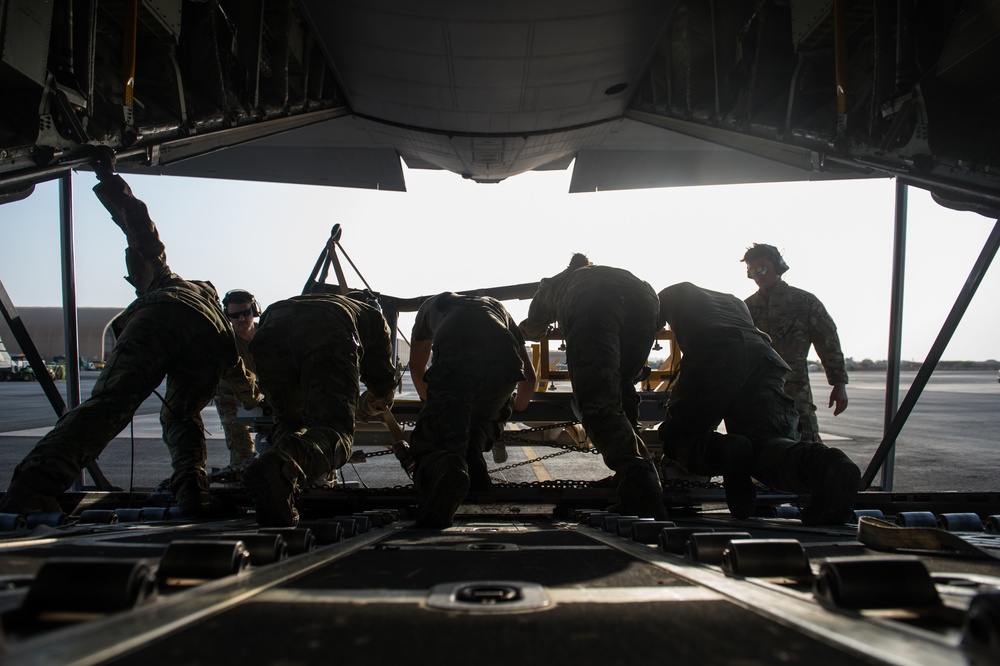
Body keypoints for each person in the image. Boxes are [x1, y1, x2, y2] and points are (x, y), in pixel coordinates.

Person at [0, 152, 260, 518]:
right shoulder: (217, 323)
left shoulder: (165, 282)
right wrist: (264, 401)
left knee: (107, 407)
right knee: (181, 416)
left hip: (159, 321)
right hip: (206, 343)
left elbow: (137, 220)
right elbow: (242, 381)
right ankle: (192, 490)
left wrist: (107, 176)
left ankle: (31, 488)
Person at [656, 282, 860, 524]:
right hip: (764, 355)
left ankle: (725, 451)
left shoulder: (666, 296)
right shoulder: (734, 300)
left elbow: (645, 334)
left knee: (679, 437)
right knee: (767, 442)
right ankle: (823, 464)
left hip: (715, 350)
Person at [519, 254, 668, 520]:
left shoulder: (555, 283)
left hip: (592, 303)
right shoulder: (618, 272)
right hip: (646, 298)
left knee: (596, 400)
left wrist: (521, 330)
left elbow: (535, 328)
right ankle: (627, 475)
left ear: (569, 267)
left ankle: (641, 483)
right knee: (621, 388)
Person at [242, 291, 396, 527]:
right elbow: (382, 383)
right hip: (325, 334)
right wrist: (369, 408)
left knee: (290, 421)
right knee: (336, 433)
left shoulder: (321, 300)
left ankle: (281, 489)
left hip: (270, 331)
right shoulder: (372, 315)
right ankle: (281, 468)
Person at [408, 292, 536, 528]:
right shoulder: (498, 308)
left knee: (433, 442)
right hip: (504, 362)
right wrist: (513, 408)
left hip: (455, 358)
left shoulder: (431, 307)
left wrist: (436, 407)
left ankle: (449, 468)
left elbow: (416, 365)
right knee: (487, 412)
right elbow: (528, 379)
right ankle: (473, 456)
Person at [742, 244, 849, 443]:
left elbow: (829, 343)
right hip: (758, 393)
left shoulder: (804, 302)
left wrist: (839, 383)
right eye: (752, 271)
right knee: (759, 448)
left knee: (808, 445)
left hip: (795, 392)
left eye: (762, 268)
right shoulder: (746, 308)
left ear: (778, 266)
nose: (758, 275)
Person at [213, 289, 261, 468]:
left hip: (265, 391)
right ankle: (240, 473)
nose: (241, 319)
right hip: (232, 394)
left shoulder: (268, 334)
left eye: (245, 313)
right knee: (237, 434)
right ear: (228, 317)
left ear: (254, 311)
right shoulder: (225, 342)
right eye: (235, 315)